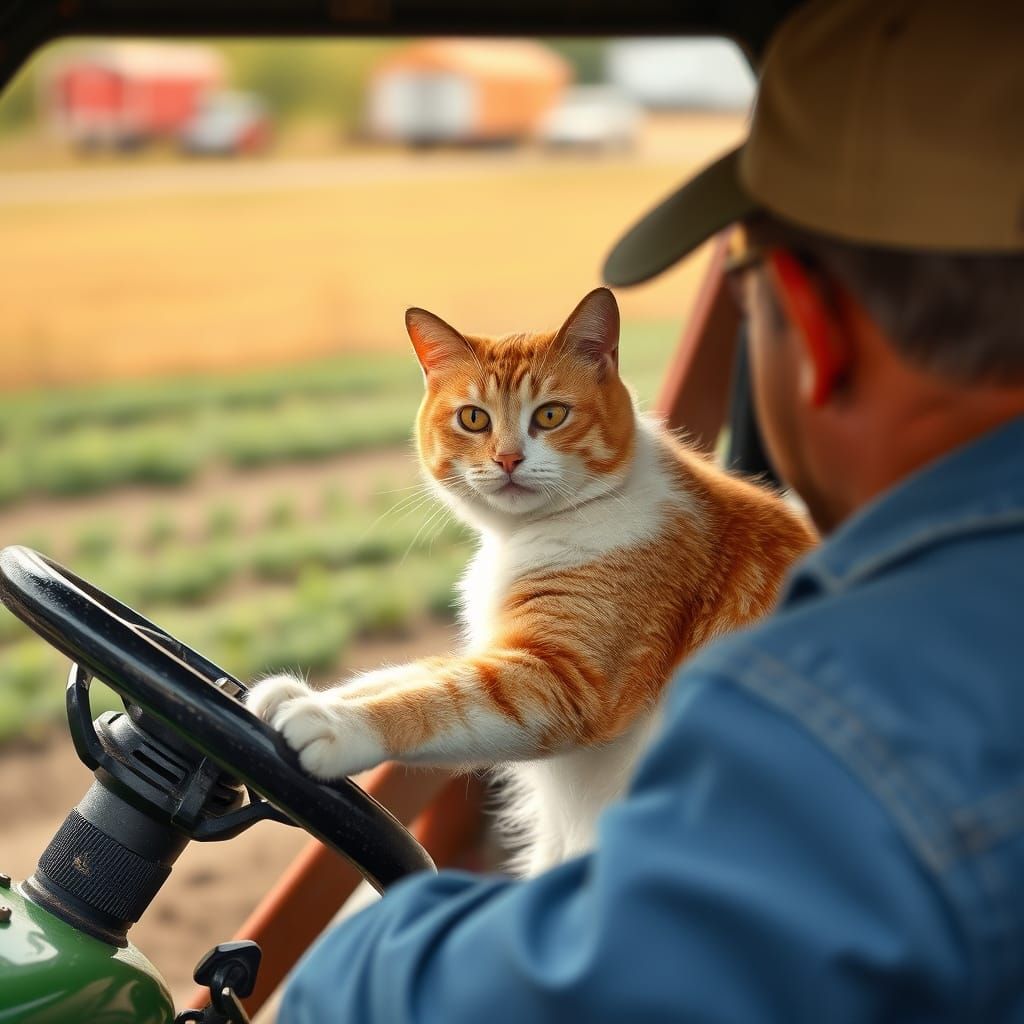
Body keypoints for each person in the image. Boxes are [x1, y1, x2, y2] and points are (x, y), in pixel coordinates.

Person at [278, 1, 1024, 1019]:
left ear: (808, 323)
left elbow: (591, 982)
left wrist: (351, 957)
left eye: (747, 298)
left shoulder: (841, 707)